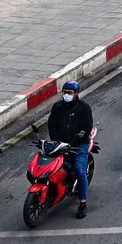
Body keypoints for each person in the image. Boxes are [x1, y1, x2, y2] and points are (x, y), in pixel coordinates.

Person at [45, 80, 95, 219]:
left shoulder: (84, 108)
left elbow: (85, 129)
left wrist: (72, 143)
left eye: (70, 93)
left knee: (79, 170)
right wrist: (56, 141)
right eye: (65, 92)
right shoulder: (57, 107)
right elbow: (51, 124)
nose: (67, 95)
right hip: (60, 144)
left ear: (76, 93)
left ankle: (83, 203)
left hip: (78, 145)